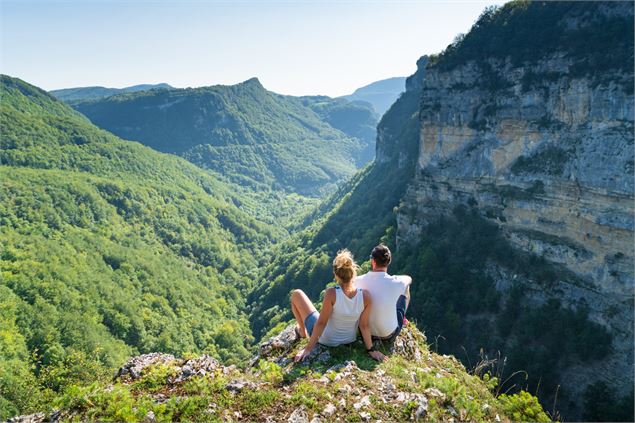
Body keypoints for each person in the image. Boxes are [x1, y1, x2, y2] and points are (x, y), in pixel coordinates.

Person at [290, 249, 387, 362]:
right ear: (353, 272)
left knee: (297, 294)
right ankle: (303, 332)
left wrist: (307, 349)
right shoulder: (365, 296)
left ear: (336, 274)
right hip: (349, 340)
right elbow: (364, 326)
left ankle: (302, 332)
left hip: (326, 340)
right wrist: (371, 350)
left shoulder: (331, 293)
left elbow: (321, 323)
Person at [355, 244, 411, 341]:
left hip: (363, 331)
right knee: (406, 288)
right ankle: (402, 317)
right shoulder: (397, 282)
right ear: (389, 261)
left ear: (373, 261)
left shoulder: (357, 281)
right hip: (388, 334)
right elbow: (408, 279)